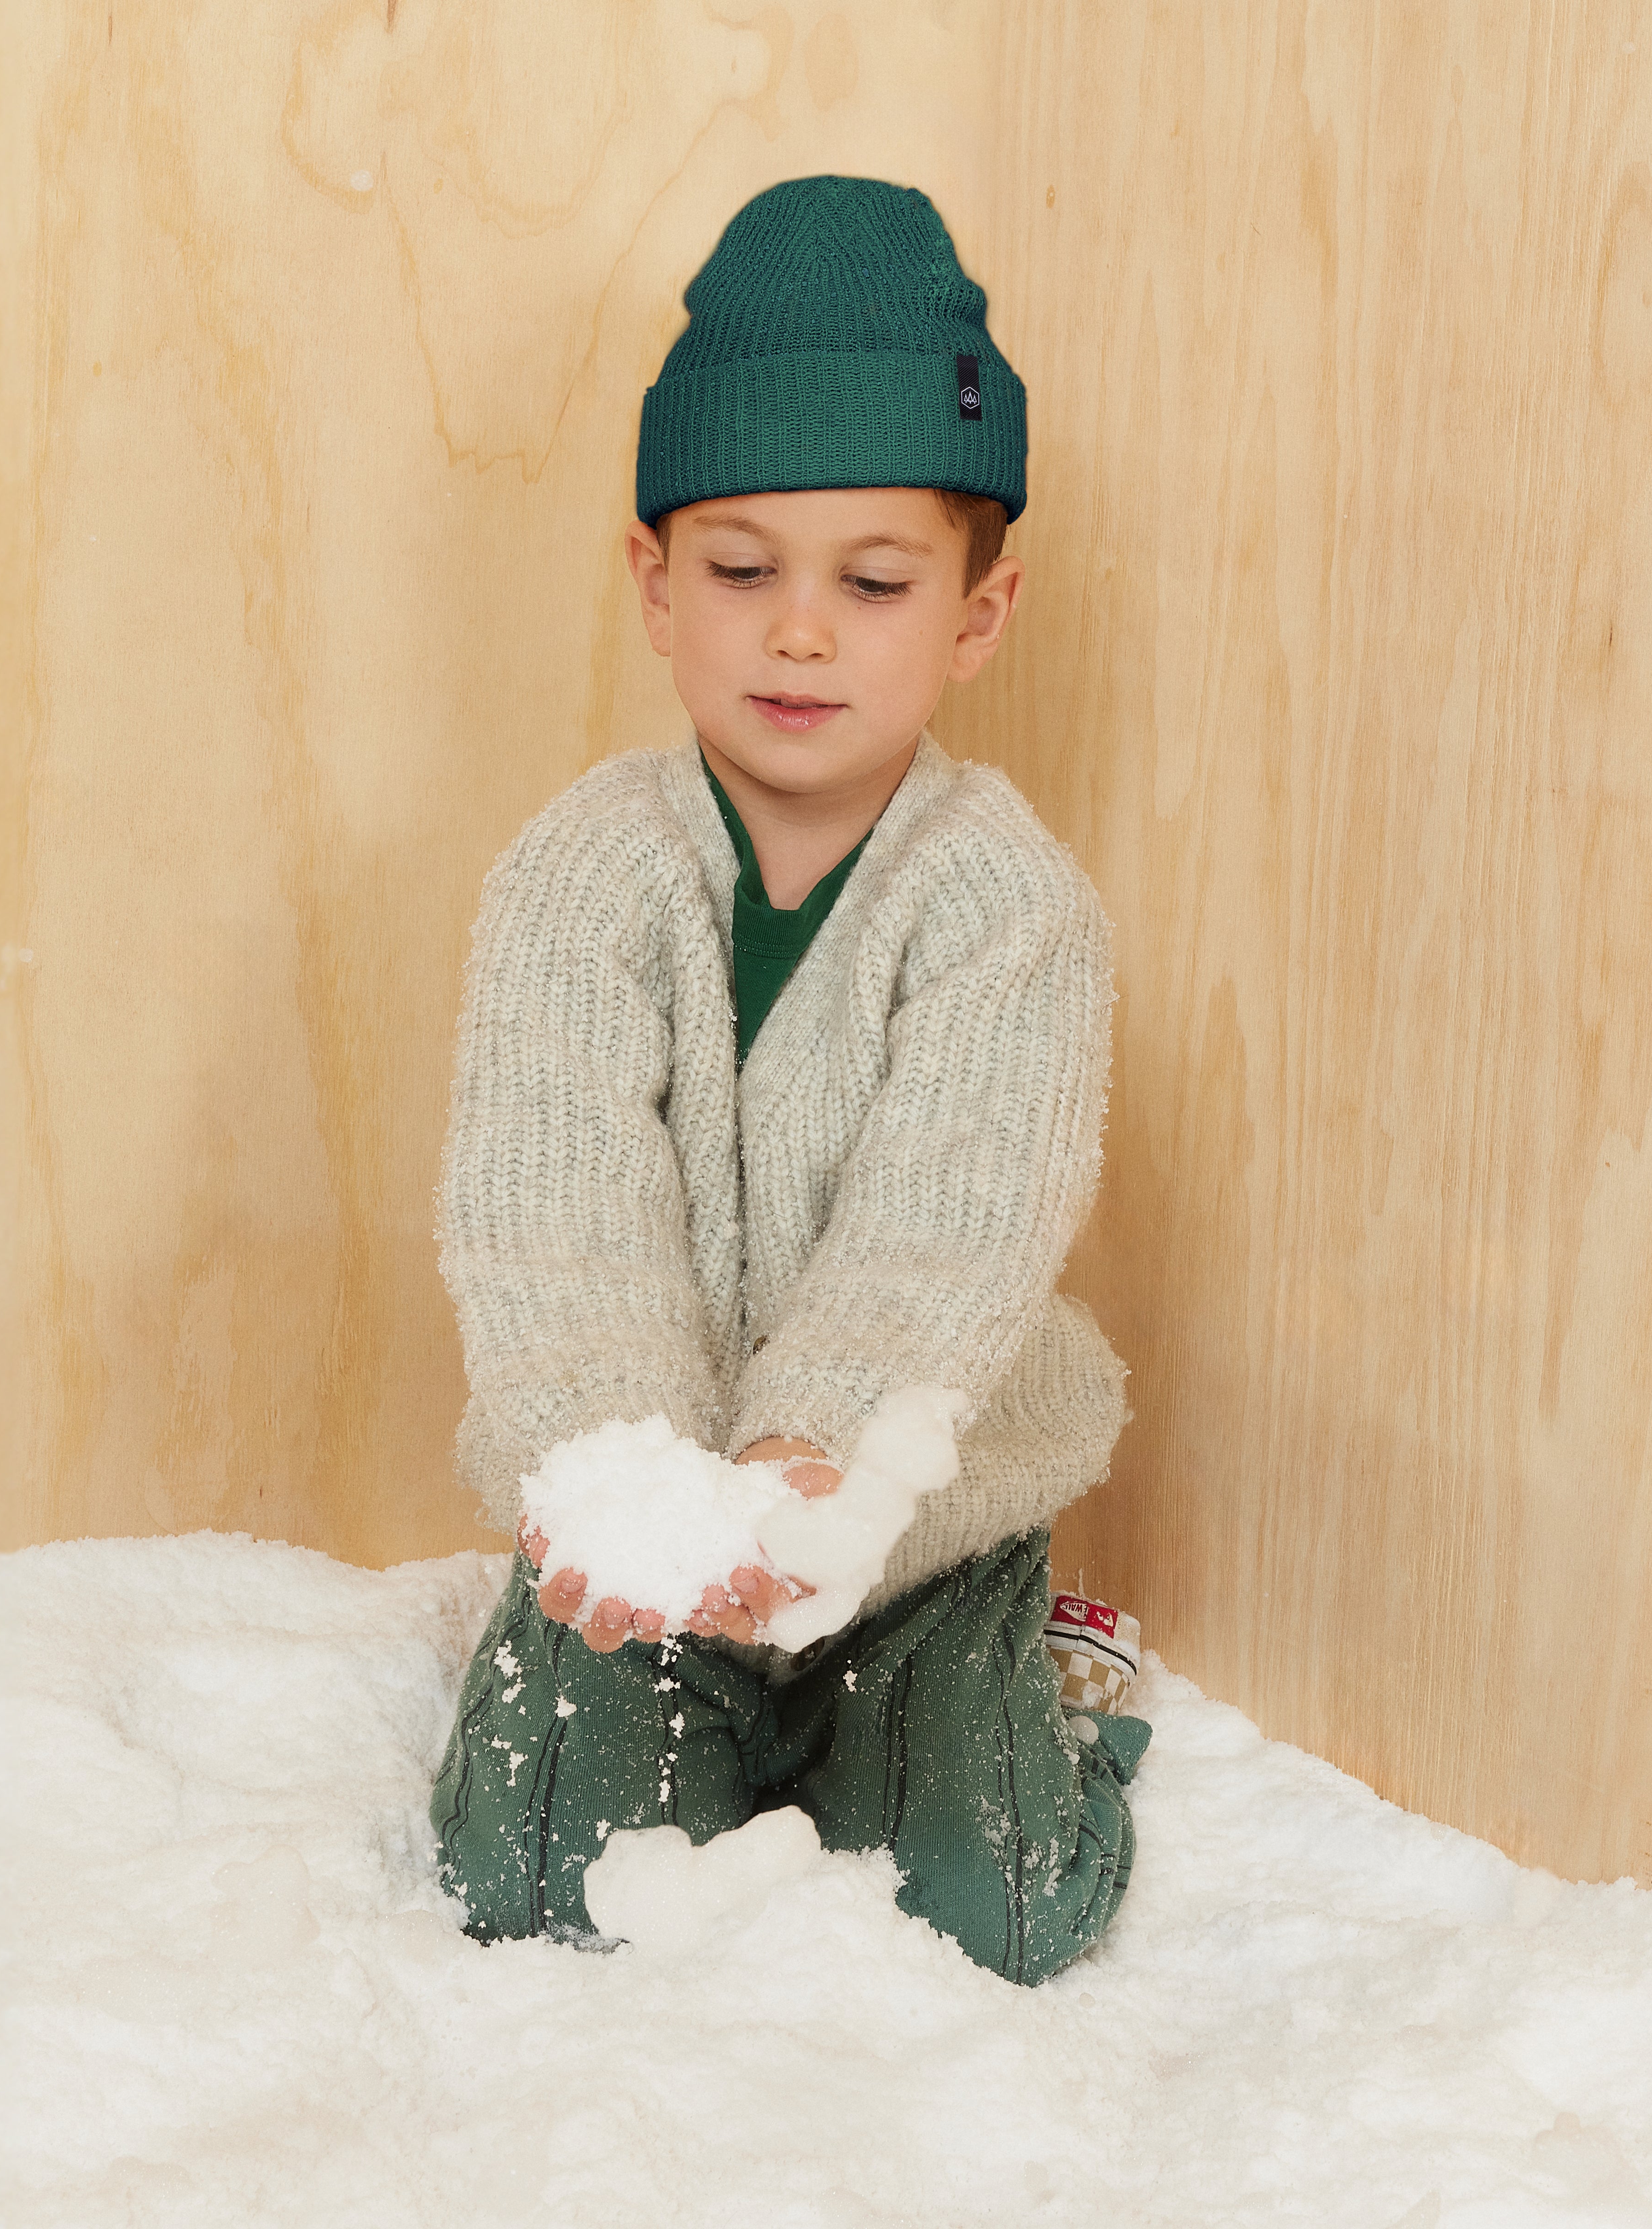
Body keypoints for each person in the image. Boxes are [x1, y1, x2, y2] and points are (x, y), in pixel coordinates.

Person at [429, 174, 1149, 1985]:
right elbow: (547, 1217)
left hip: (902, 1511)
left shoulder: (1008, 910)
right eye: (744, 571)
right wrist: (621, 1484)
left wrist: (813, 1466)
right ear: (656, 585)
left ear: (979, 612)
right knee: (529, 1878)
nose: (801, 632)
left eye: (875, 582)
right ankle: (681, 1697)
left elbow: (949, 1233)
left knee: (976, 1907)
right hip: (658, 1516)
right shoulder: (578, 879)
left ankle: (1054, 1685)